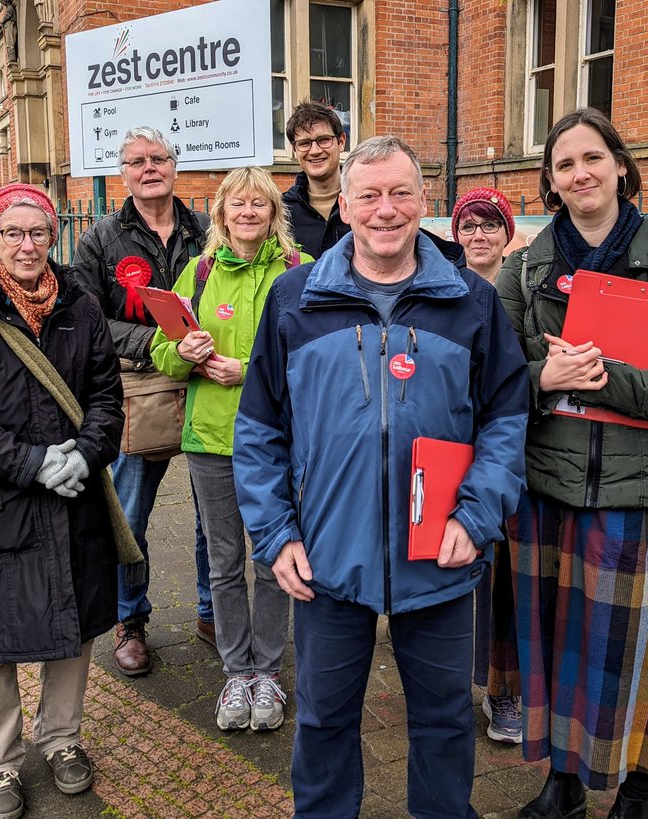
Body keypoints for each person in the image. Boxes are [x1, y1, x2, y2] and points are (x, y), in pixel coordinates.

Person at [234, 136, 529, 817]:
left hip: (442, 553)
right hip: (328, 556)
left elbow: (507, 419)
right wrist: (276, 536)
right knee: (324, 721)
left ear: (425, 202)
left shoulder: (471, 302)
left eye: (401, 193)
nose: (385, 209)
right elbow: (258, 429)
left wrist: (477, 515)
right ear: (345, 204)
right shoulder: (295, 299)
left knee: (446, 723)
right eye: (369, 195)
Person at [495, 108, 648, 819]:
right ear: (550, 183)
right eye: (564, 165)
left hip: (637, 496)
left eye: (592, 158)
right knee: (560, 652)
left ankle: (637, 789)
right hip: (546, 493)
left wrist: (609, 379)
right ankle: (563, 784)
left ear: (621, 166)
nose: (580, 173)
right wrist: (544, 378)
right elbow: (491, 377)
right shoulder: (524, 267)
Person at [0, 183, 125, 819]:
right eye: (12, 233)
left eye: (38, 231)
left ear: (53, 236)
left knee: (70, 627)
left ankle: (62, 739)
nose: (27, 245)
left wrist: (84, 455)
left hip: (71, 496)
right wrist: (33, 462)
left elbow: (106, 399)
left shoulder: (82, 307)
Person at [150, 167, 311, 732]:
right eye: (237, 205)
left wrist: (247, 371)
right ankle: (234, 672)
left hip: (280, 443)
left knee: (273, 560)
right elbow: (160, 354)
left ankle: (267, 669)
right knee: (223, 562)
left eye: (259, 205)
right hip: (211, 441)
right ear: (220, 215)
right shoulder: (198, 272)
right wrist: (186, 352)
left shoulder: (300, 273)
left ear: (274, 215)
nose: (247, 214)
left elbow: (319, 361)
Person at [72, 126, 214, 676]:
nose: (148, 168)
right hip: (137, 385)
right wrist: (157, 345)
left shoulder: (208, 230)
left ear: (175, 167)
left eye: (158, 158)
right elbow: (85, 318)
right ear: (123, 172)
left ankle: (212, 610)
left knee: (214, 513)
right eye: (136, 161)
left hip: (206, 381)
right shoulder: (101, 239)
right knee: (129, 515)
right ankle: (130, 620)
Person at [451, 186, 523, 747]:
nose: (479, 236)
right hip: (455, 446)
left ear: (507, 232)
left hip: (515, 445)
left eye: (489, 225)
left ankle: (506, 690)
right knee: (461, 565)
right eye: (469, 226)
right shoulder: (448, 288)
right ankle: (465, 683)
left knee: (508, 581)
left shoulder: (526, 286)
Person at [281, 99, 350, 258]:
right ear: (294, 150)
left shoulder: (365, 202)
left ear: (341, 142)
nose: (315, 151)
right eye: (304, 143)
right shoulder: (281, 211)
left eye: (323, 140)